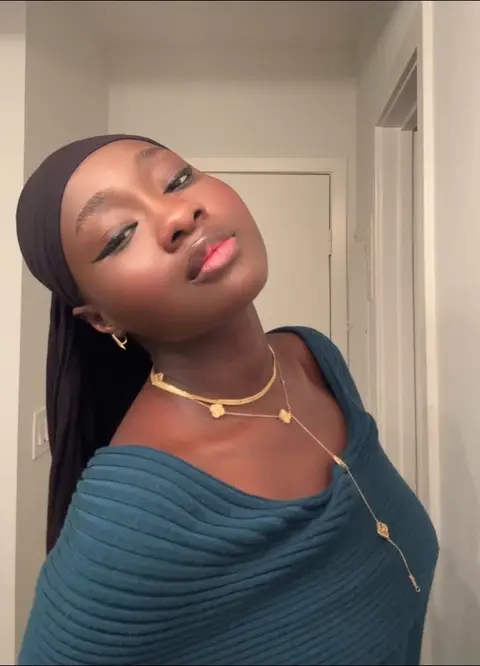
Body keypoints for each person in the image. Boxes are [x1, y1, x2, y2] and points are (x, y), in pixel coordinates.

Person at [16, 134, 438, 665]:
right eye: (120, 234)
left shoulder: (314, 359)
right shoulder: (127, 520)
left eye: (177, 180)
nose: (179, 215)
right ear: (102, 319)